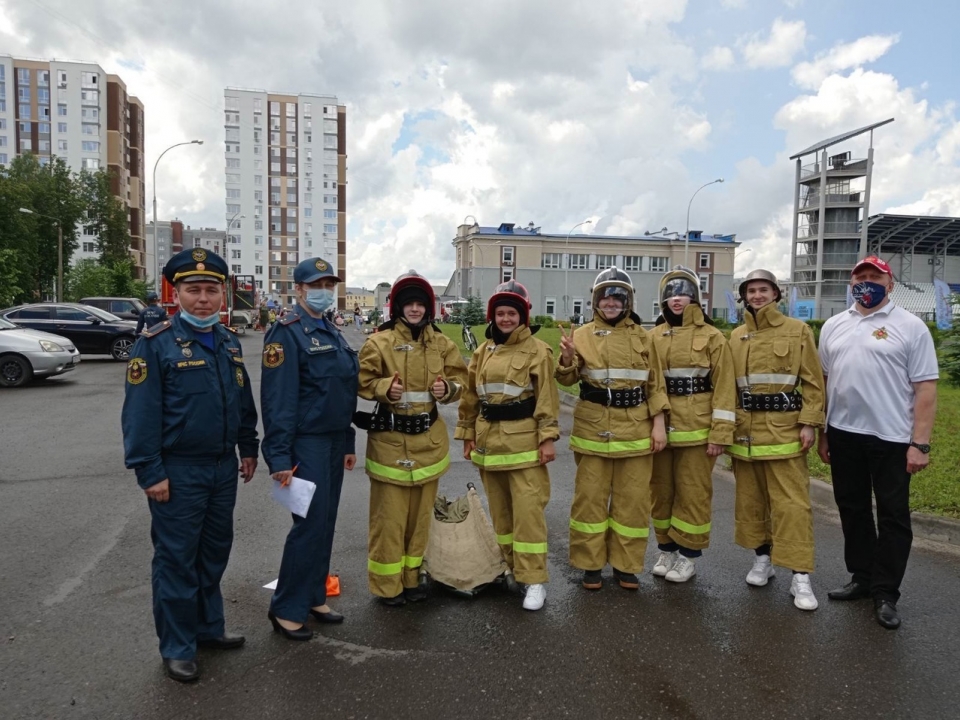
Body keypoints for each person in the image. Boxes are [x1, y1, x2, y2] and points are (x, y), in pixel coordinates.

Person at [121, 248, 259, 683]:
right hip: (177, 471)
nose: (203, 298)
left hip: (221, 468)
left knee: (214, 552)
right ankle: (177, 646)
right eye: (193, 290)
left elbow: (241, 401)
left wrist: (248, 447)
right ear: (176, 292)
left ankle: (207, 628)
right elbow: (140, 414)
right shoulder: (155, 343)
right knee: (177, 559)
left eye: (211, 290)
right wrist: (150, 471)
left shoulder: (228, 340)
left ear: (224, 294)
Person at [817, 256, 938, 630]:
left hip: (892, 437)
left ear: (890, 283)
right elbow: (824, 380)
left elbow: (926, 388)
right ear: (851, 283)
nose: (866, 282)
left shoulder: (910, 326)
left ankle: (886, 593)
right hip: (843, 433)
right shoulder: (834, 325)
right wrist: (823, 431)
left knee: (892, 515)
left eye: (875, 276)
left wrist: (920, 443)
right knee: (851, 509)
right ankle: (862, 578)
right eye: (860, 276)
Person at [260, 257, 359, 640]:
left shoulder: (330, 329)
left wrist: (348, 439)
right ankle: (286, 608)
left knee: (325, 523)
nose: (323, 292)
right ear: (298, 289)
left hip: (333, 441)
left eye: (328, 285)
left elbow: (342, 391)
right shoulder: (286, 333)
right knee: (308, 526)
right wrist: (280, 457)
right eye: (315, 285)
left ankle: (314, 595)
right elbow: (278, 401)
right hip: (306, 444)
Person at [357, 271, 468, 605]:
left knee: (420, 520)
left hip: (429, 444)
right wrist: (382, 388)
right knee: (389, 521)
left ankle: (412, 579)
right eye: (409, 304)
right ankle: (386, 585)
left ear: (429, 308)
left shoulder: (443, 344)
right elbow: (362, 381)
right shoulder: (379, 342)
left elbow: (461, 383)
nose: (415, 309)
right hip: (390, 442)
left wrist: (447, 389)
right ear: (398, 308)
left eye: (421, 304)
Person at [555, 268, 669, 591]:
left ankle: (626, 566)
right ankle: (589, 566)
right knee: (589, 501)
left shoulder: (644, 337)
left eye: (617, 297)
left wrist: (659, 425)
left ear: (628, 301)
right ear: (596, 300)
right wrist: (566, 358)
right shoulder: (581, 334)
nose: (611, 303)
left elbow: (655, 384)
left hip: (635, 431)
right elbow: (566, 378)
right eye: (605, 296)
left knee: (632, 503)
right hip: (593, 430)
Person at [456, 281, 560, 611]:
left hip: (525, 446)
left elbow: (547, 399)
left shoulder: (538, 351)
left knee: (528, 517)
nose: (505, 319)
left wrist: (547, 439)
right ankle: (512, 568)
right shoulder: (482, 351)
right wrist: (467, 433)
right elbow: (471, 397)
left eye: (511, 313)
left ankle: (534, 580)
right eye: (500, 313)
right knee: (501, 518)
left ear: (522, 316)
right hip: (489, 445)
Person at [728, 269, 825, 611]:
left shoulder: (797, 330)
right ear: (744, 296)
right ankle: (763, 559)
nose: (757, 295)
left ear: (776, 294)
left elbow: (813, 382)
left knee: (792, 506)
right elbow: (727, 389)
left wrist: (810, 423)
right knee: (752, 503)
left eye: (763, 289)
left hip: (785, 432)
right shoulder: (736, 336)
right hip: (745, 436)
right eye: (751, 290)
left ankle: (800, 576)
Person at [649, 267, 736, 583]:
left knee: (693, 493)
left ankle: (688, 556)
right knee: (660, 492)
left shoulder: (713, 337)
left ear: (695, 298)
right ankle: (666, 549)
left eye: (683, 293)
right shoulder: (653, 336)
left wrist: (720, 433)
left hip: (698, 431)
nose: (676, 299)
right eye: (671, 293)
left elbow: (725, 387)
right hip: (661, 431)